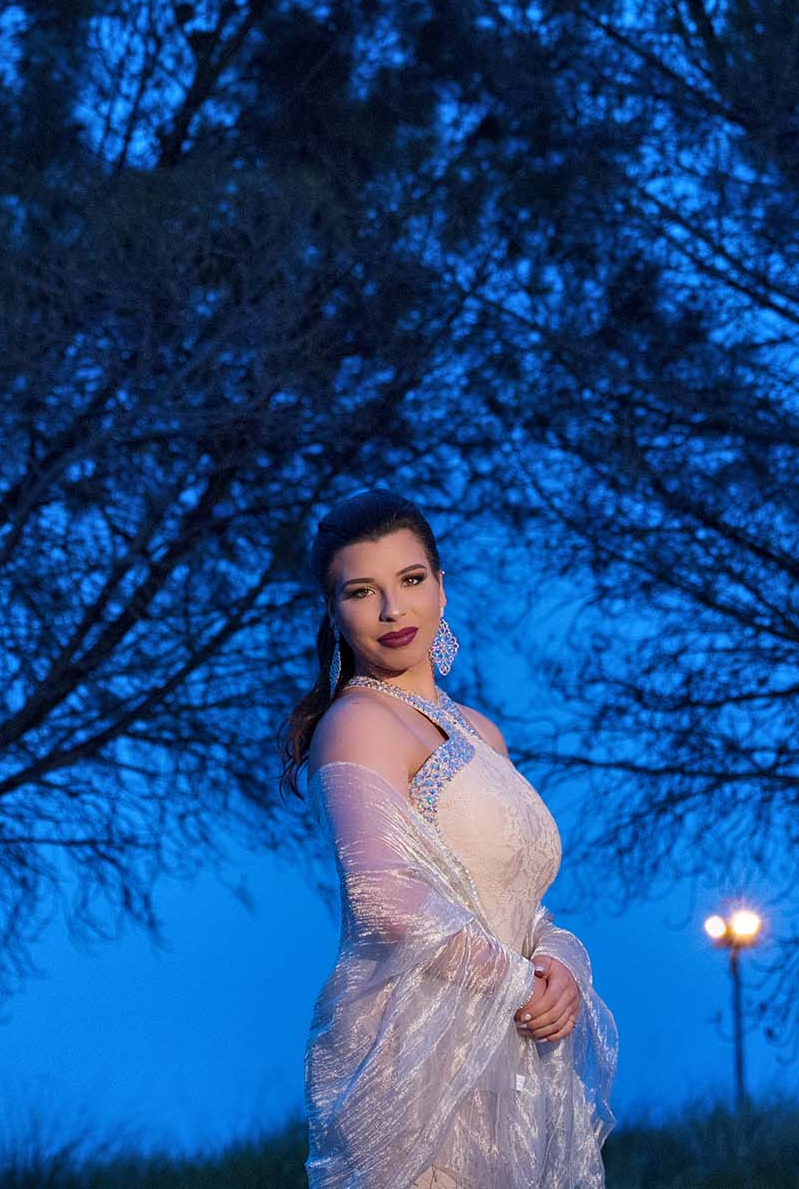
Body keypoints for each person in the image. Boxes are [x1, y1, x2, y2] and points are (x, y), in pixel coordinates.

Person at [279, 487, 617, 1189]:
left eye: (410, 580)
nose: (392, 610)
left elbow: (519, 897)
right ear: (333, 612)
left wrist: (559, 963)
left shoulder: (480, 731)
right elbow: (384, 901)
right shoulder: (359, 723)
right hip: (414, 1063)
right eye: (361, 592)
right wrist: (518, 981)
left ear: (441, 586)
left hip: (509, 1058)